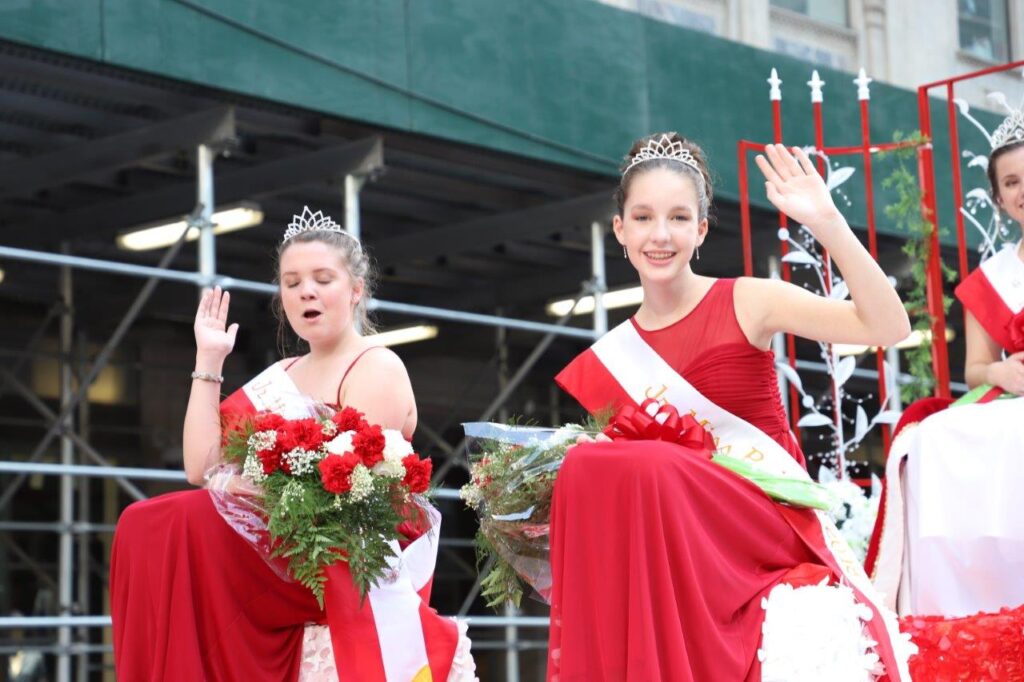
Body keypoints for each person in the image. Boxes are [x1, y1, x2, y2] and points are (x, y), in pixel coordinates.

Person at [548, 133, 913, 681]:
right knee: (589, 465)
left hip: (761, 521)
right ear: (620, 230)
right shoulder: (614, 356)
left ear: (700, 229)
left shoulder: (747, 299)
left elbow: (888, 327)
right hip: (684, 549)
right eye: (644, 218)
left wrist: (828, 223)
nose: (661, 235)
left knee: (644, 466)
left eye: (678, 217)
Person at [110, 207, 476, 681]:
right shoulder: (278, 377)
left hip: (335, 551)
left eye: (323, 278)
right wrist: (209, 359)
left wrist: (245, 489)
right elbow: (200, 467)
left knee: (176, 522)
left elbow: (343, 495)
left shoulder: (376, 365)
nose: (306, 291)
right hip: (269, 542)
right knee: (143, 522)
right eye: (291, 281)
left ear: (356, 290)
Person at [866, 126, 1024, 620]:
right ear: (999, 198)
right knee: (932, 437)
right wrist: (1003, 371)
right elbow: (976, 368)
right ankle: (962, 604)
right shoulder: (992, 279)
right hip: (1015, 394)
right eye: (1013, 182)